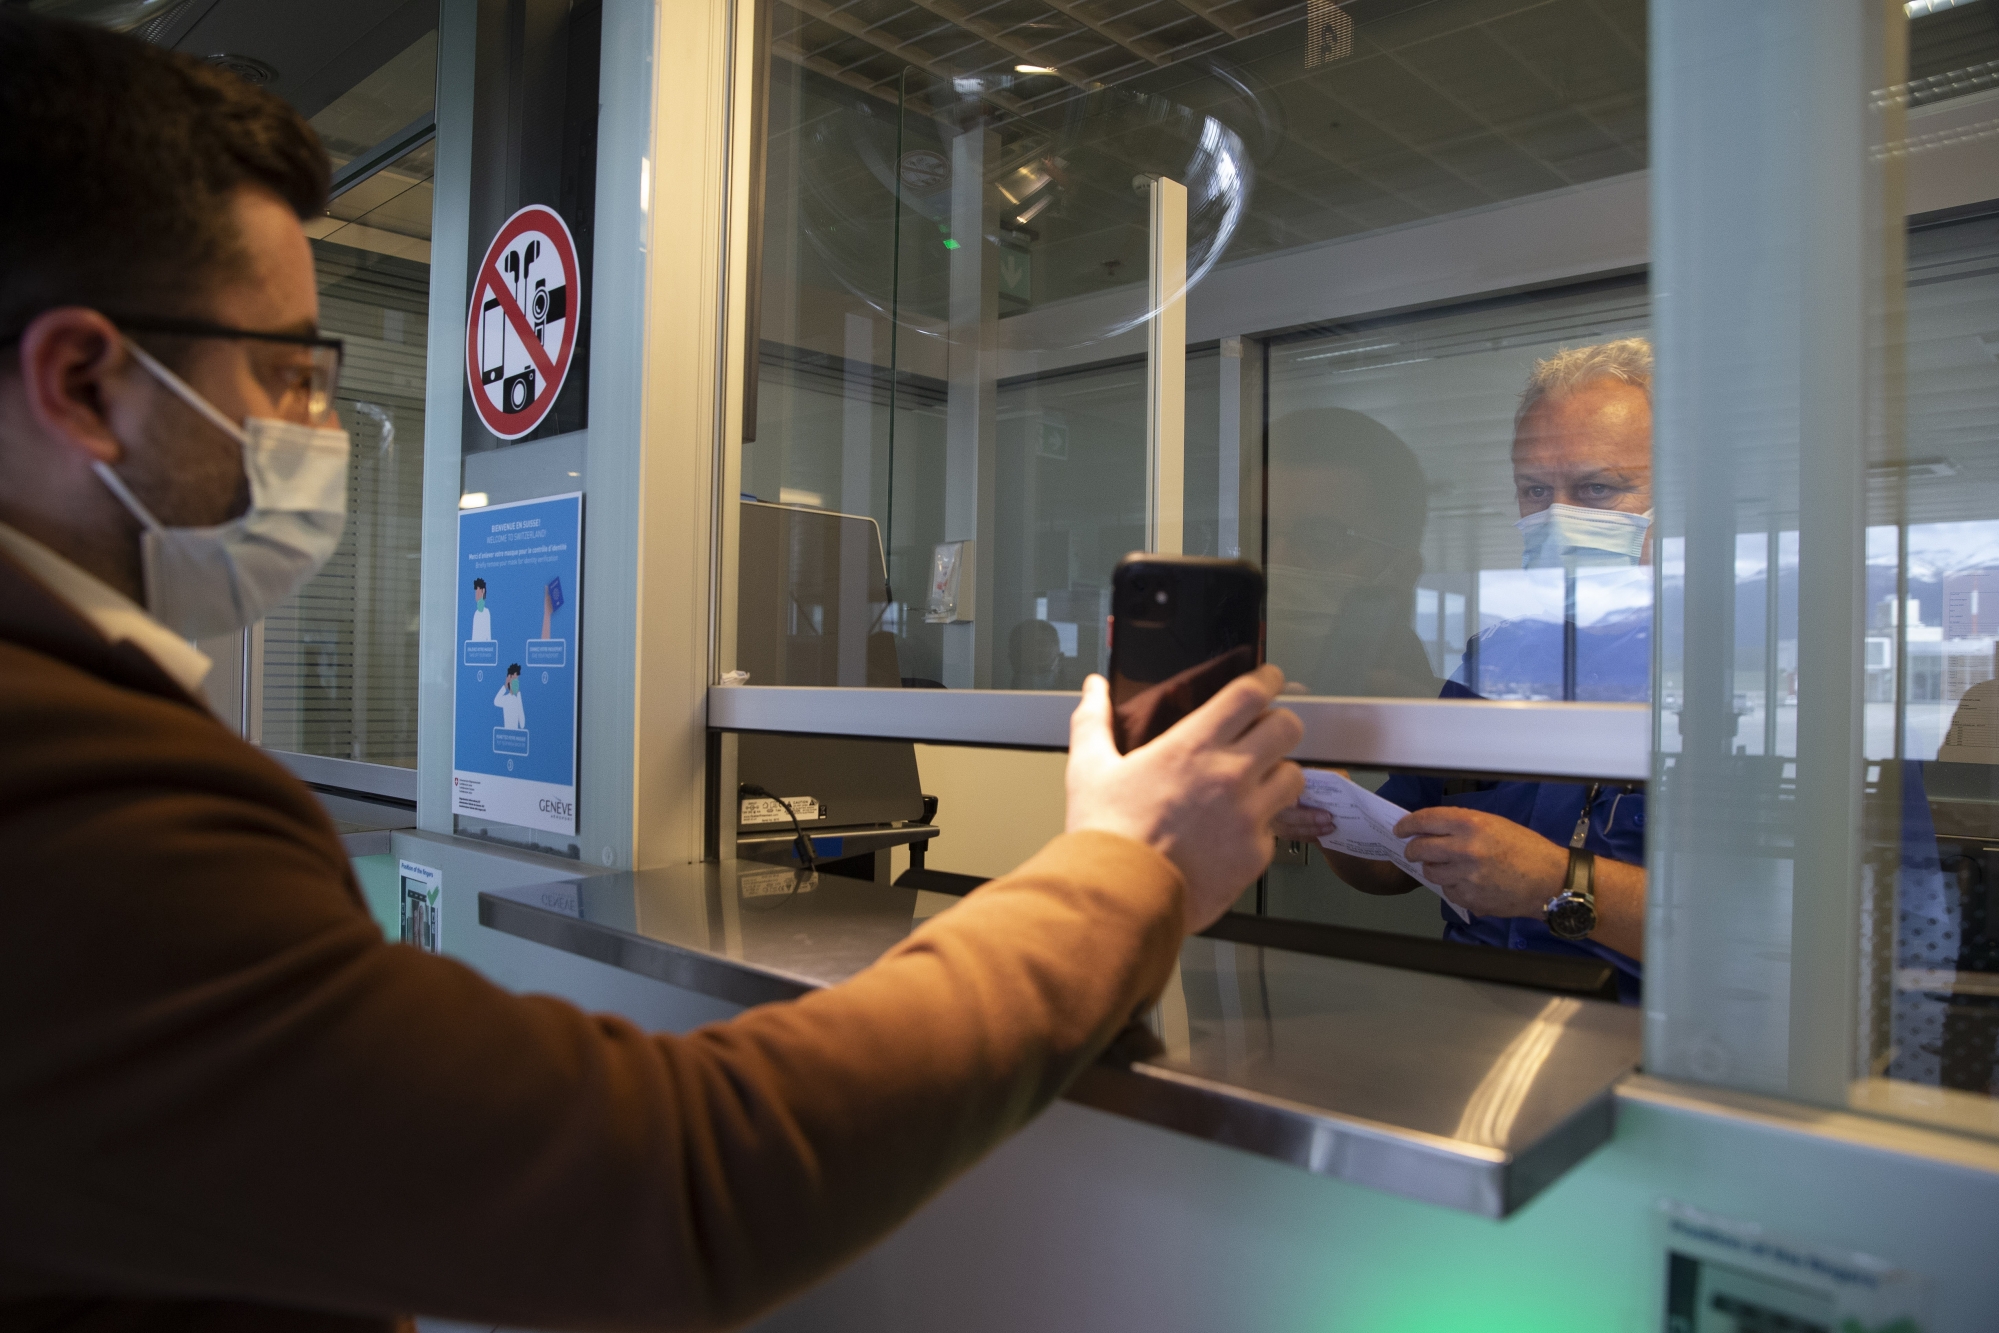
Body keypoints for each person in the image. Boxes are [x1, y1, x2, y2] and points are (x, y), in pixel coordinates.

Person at [0, 15, 1306, 1330]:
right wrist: (1121, 867)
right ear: (82, 381)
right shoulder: (58, 789)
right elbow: (662, 1179)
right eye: (288, 372)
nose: (321, 427)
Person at [1276, 339, 1654, 1001]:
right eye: (1535, 490)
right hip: (1472, 1010)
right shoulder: (1496, 659)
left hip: (1651, 1041)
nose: (1557, 516)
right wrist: (1327, 806)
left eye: (1596, 487)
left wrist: (1556, 882)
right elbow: (1395, 865)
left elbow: (1775, 934)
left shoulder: (1741, 673)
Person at [1264, 407, 1439, 700]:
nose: (1273, 561)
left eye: (1322, 540)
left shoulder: (1473, 729)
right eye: (1256, 535)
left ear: (1401, 570)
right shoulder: (1190, 709)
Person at [494, 661, 527, 730]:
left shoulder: (517, 700)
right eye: (514, 679)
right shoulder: (506, 699)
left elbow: (522, 724)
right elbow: (496, 701)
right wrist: (505, 686)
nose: (516, 681)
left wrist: (518, 694)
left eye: (517, 679)